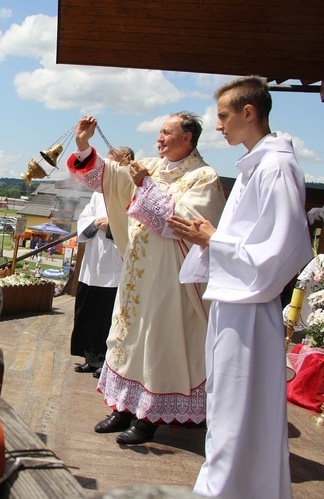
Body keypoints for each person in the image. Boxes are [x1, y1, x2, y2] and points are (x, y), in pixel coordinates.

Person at [168, 76, 310, 499]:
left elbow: (286, 246)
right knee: (228, 412)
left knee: (236, 415)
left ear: (250, 113)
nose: (218, 126)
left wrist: (215, 240)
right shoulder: (256, 165)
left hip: (250, 307)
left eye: (224, 116)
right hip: (234, 302)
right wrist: (208, 240)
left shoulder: (277, 167)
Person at [67, 112, 226, 445]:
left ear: (188, 138)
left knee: (157, 342)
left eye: (167, 133)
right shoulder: (151, 165)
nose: (159, 139)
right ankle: (123, 408)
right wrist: (84, 145)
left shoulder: (203, 177)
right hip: (138, 274)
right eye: (159, 133)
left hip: (172, 278)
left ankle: (148, 416)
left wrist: (144, 186)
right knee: (128, 339)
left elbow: (184, 224)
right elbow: (106, 180)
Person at [70, 147, 132, 379]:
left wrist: (112, 227)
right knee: (87, 314)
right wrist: (95, 222)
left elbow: (134, 228)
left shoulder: (128, 193)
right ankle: (90, 357)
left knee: (107, 317)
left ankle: (105, 362)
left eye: (112, 165)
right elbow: (83, 219)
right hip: (93, 263)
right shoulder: (98, 194)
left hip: (115, 266)